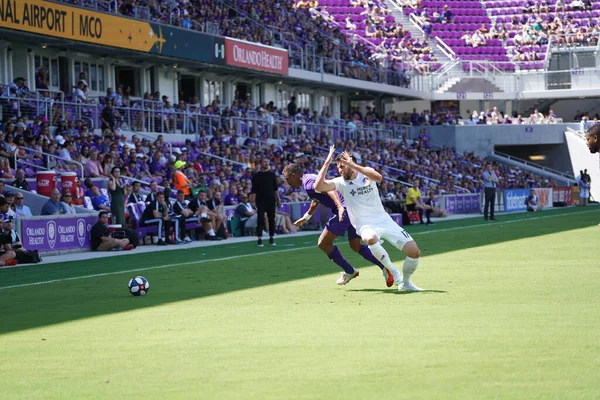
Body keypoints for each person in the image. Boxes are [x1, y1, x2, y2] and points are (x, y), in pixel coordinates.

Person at [314, 146, 424, 291]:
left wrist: (353, 165)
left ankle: (406, 284)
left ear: (351, 164)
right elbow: (318, 186)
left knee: (414, 253)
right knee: (370, 238)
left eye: (342, 166)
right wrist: (327, 163)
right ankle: (393, 272)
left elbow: (379, 177)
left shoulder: (365, 173)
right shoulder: (340, 182)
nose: (340, 170)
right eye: (338, 167)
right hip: (363, 224)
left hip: (384, 220)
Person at [283, 163, 393, 287]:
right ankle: (385, 267)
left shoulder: (308, 183)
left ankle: (350, 271)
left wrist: (340, 207)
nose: (287, 182)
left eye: (287, 179)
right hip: (352, 209)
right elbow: (317, 197)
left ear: (293, 176)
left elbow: (330, 189)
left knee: (323, 243)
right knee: (356, 246)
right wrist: (307, 216)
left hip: (344, 211)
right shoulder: (309, 178)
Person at [250, 157, 280, 247]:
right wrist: (253, 201)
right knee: (261, 219)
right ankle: (259, 238)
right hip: (260, 199)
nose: (266, 163)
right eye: (264, 162)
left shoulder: (272, 175)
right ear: (261, 163)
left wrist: (278, 200)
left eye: (267, 162)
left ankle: (271, 237)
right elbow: (254, 190)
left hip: (271, 199)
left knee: (271, 219)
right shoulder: (256, 176)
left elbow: (275, 189)